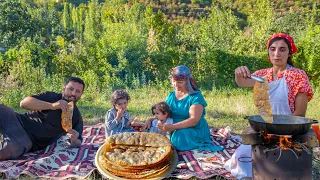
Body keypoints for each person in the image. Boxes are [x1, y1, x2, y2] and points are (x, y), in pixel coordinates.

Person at [0, 76, 85, 160]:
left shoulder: (76, 116)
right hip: (17, 120)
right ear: (64, 88)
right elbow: (23, 103)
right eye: (70, 89)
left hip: (27, 139)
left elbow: (78, 142)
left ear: (81, 94)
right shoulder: (51, 96)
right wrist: (52, 105)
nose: (73, 93)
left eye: (78, 91)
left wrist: (74, 140)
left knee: (4, 152)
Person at [144, 65, 223, 152]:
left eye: (180, 82)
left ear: (187, 81)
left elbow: (194, 120)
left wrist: (173, 127)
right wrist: (150, 120)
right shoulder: (171, 95)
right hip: (171, 125)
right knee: (150, 131)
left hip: (193, 128)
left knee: (178, 138)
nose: (176, 85)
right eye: (174, 81)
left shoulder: (195, 97)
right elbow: (164, 113)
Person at [235, 33, 313, 116]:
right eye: (272, 49)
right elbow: (242, 82)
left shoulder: (298, 76)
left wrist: (280, 126)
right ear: (268, 51)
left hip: (290, 126)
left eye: (282, 50)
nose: (276, 54)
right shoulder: (262, 74)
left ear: (289, 53)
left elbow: (300, 114)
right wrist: (238, 73)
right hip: (265, 126)